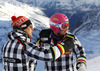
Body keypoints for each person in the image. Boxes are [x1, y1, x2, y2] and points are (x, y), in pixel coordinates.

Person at [1, 15, 74, 71]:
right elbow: (49, 55)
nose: (32, 29)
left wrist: (42, 40)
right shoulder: (24, 46)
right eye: (30, 27)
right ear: (24, 28)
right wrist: (66, 44)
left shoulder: (5, 46)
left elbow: (29, 54)